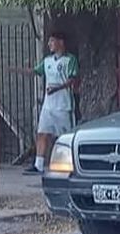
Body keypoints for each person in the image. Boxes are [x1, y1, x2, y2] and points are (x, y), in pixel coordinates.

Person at [14, 32, 79, 175]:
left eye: (52, 41)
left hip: (63, 106)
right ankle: (39, 165)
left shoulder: (70, 60)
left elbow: (73, 80)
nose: (49, 44)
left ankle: (68, 164)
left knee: (65, 136)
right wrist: (17, 69)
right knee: (42, 133)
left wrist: (57, 88)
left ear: (61, 42)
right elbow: (35, 71)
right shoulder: (48, 60)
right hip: (48, 106)